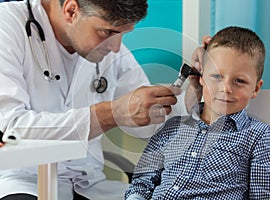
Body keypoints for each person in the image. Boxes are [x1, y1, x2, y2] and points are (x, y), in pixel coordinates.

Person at [0, 0, 192, 199]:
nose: (116, 48)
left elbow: (148, 125)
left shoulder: (110, 50)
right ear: (71, 10)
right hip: (23, 181)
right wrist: (111, 113)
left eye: (123, 35)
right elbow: (12, 128)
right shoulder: (7, 26)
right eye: (107, 33)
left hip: (89, 184)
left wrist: (196, 94)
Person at [125, 26, 270, 199]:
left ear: (255, 88)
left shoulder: (258, 136)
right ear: (201, 77)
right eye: (216, 76)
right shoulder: (170, 129)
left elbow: (266, 196)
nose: (225, 88)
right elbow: (141, 183)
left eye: (239, 81)